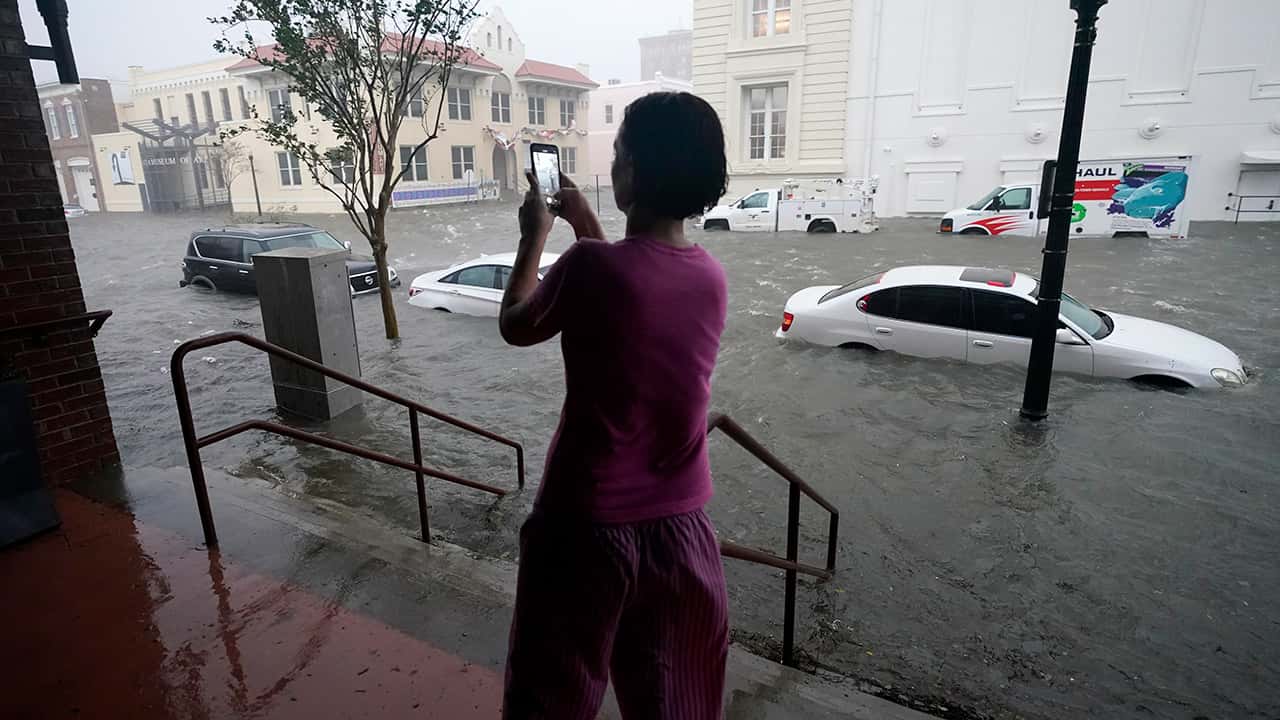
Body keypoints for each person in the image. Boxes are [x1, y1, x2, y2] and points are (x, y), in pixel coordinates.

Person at [499, 92, 730, 719]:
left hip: (585, 528)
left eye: (621, 153)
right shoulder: (710, 277)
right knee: (674, 700)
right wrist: (583, 223)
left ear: (631, 173)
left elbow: (517, 323)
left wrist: (535, 235)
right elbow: (631, 282)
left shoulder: (589, 268)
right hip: (681, 532)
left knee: (550, 697)